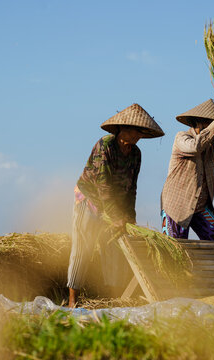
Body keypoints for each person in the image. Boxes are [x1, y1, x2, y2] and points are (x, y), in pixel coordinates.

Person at [68, 103, 164, 307]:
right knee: (83, 248)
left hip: (114, 207)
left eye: (141, 133)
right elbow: (103, 185)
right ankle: (72, 300)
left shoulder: (136, 154)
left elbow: (131, 189)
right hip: (90, 199)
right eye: (136, 131)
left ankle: (111, 298)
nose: (138, 136)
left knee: (113, 249)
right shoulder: (106, 145)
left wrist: (129, 218)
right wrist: (115, 215)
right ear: (123, 128)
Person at [161, 99, 214, 241]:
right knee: (175, 248)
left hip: (201, 206)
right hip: (177, 205)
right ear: (199, 122)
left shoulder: (212, 145)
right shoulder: (182, 138)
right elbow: (195, 147)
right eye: (211, 121)